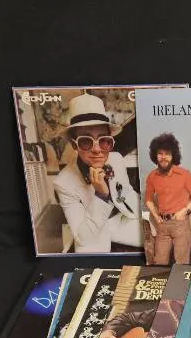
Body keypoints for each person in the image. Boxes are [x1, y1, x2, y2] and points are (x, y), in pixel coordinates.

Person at [53, 93, 142, 253]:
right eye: (85, 141)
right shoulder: (63, 183)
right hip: (94, 233)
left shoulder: (116, 159)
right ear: (74, 145)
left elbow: (127, 191)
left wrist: (145, 212)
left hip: (125, 218)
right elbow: (84, 237)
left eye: (104, 140)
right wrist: (101, 195)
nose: (96, 149)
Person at [143, 133, 191, 264]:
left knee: (182, 263)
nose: (163, 157)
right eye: (160, 153)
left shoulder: (184, 174)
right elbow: (148, 199)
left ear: (173, 155)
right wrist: (155, 216)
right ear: (155, 155)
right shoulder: (152, 176)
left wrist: (184, 211)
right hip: (162, 225)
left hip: (180, 223)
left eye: (167, 154)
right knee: (159, 262)